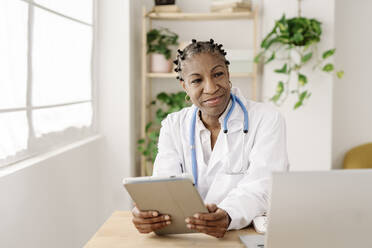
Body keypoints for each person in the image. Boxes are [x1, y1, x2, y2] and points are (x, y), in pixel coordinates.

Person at [132, 39, 289, 238]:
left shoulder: (266, 119)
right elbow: (165, 189)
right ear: (185, 87)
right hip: (187, 238)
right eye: (197, 80)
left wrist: (229, 215)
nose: (211, 87)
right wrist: (150, 213)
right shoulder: (173, 126)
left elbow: (264, 186)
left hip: (244, 235)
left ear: (228, 74)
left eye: (218, 74)